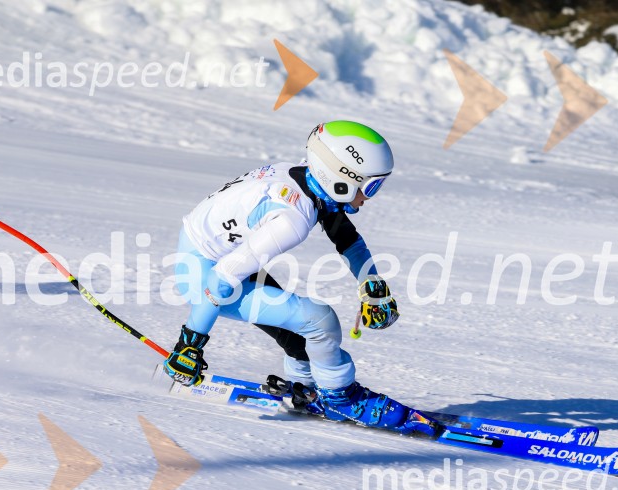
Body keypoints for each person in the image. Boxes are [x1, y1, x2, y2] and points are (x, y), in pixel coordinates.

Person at [164, 121, 439, 436]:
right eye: (370, 187)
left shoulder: (304, 179)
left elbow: (346, 237)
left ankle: (304, 388)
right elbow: (222, 279)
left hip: (216, 255)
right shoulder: (291, 219)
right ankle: (340, 399)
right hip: (203, 276)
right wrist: (190, 344)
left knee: (297, 330)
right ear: (341, 180)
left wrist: (371, 284)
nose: (367, 198)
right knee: (319, 321)